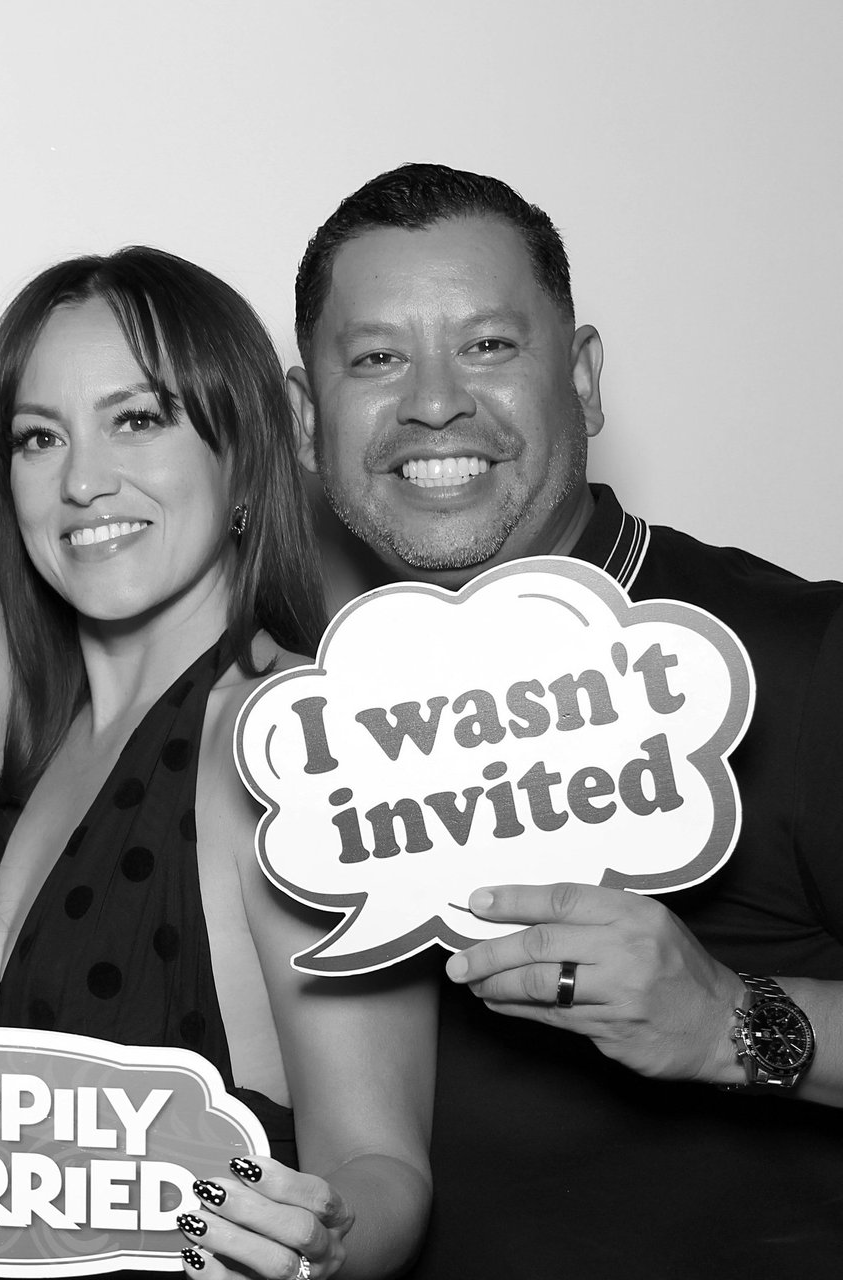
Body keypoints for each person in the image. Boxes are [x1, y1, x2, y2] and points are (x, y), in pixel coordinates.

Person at [287, 162, 843, 1277]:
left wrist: (733, 1021)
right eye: (377, 357)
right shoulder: (310, 729)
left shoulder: (805, 654)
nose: (433, 401)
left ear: (583, 379)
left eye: (489, 345)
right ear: (309, 419)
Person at [0, 247, 434, 1280]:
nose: (83, 478)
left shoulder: (289, 745)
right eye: (39, 436)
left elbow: (380, 1163)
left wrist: (308, 1242)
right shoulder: (29, 759)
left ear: (241, 453)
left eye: (138, 418)